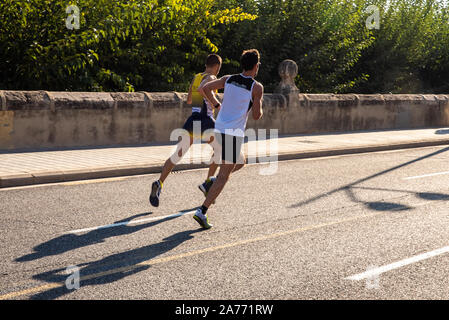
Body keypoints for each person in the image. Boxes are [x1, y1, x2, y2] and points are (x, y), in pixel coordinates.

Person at [193, 49, 264, 229]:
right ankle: (202, 211)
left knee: (240, 161)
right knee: (224, 175)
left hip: (218, 130)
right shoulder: (256, 87)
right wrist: (259, 103)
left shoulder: (228, 79)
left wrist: (217, 105)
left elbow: (204, 88)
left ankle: (210, 183)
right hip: (233, 134)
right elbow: (256, 115)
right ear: (256, 66)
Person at [149, 54, 222, 207]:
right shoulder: (211, 77)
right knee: (221, 150)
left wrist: (200, 96)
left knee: (177, 154)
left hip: (193, 119)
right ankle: (208, 184)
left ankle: (160, 182)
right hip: (205, 119)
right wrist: (215, 103)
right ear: (217, 66)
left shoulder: (196, 77)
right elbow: (204, 90)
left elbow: (189, 100)